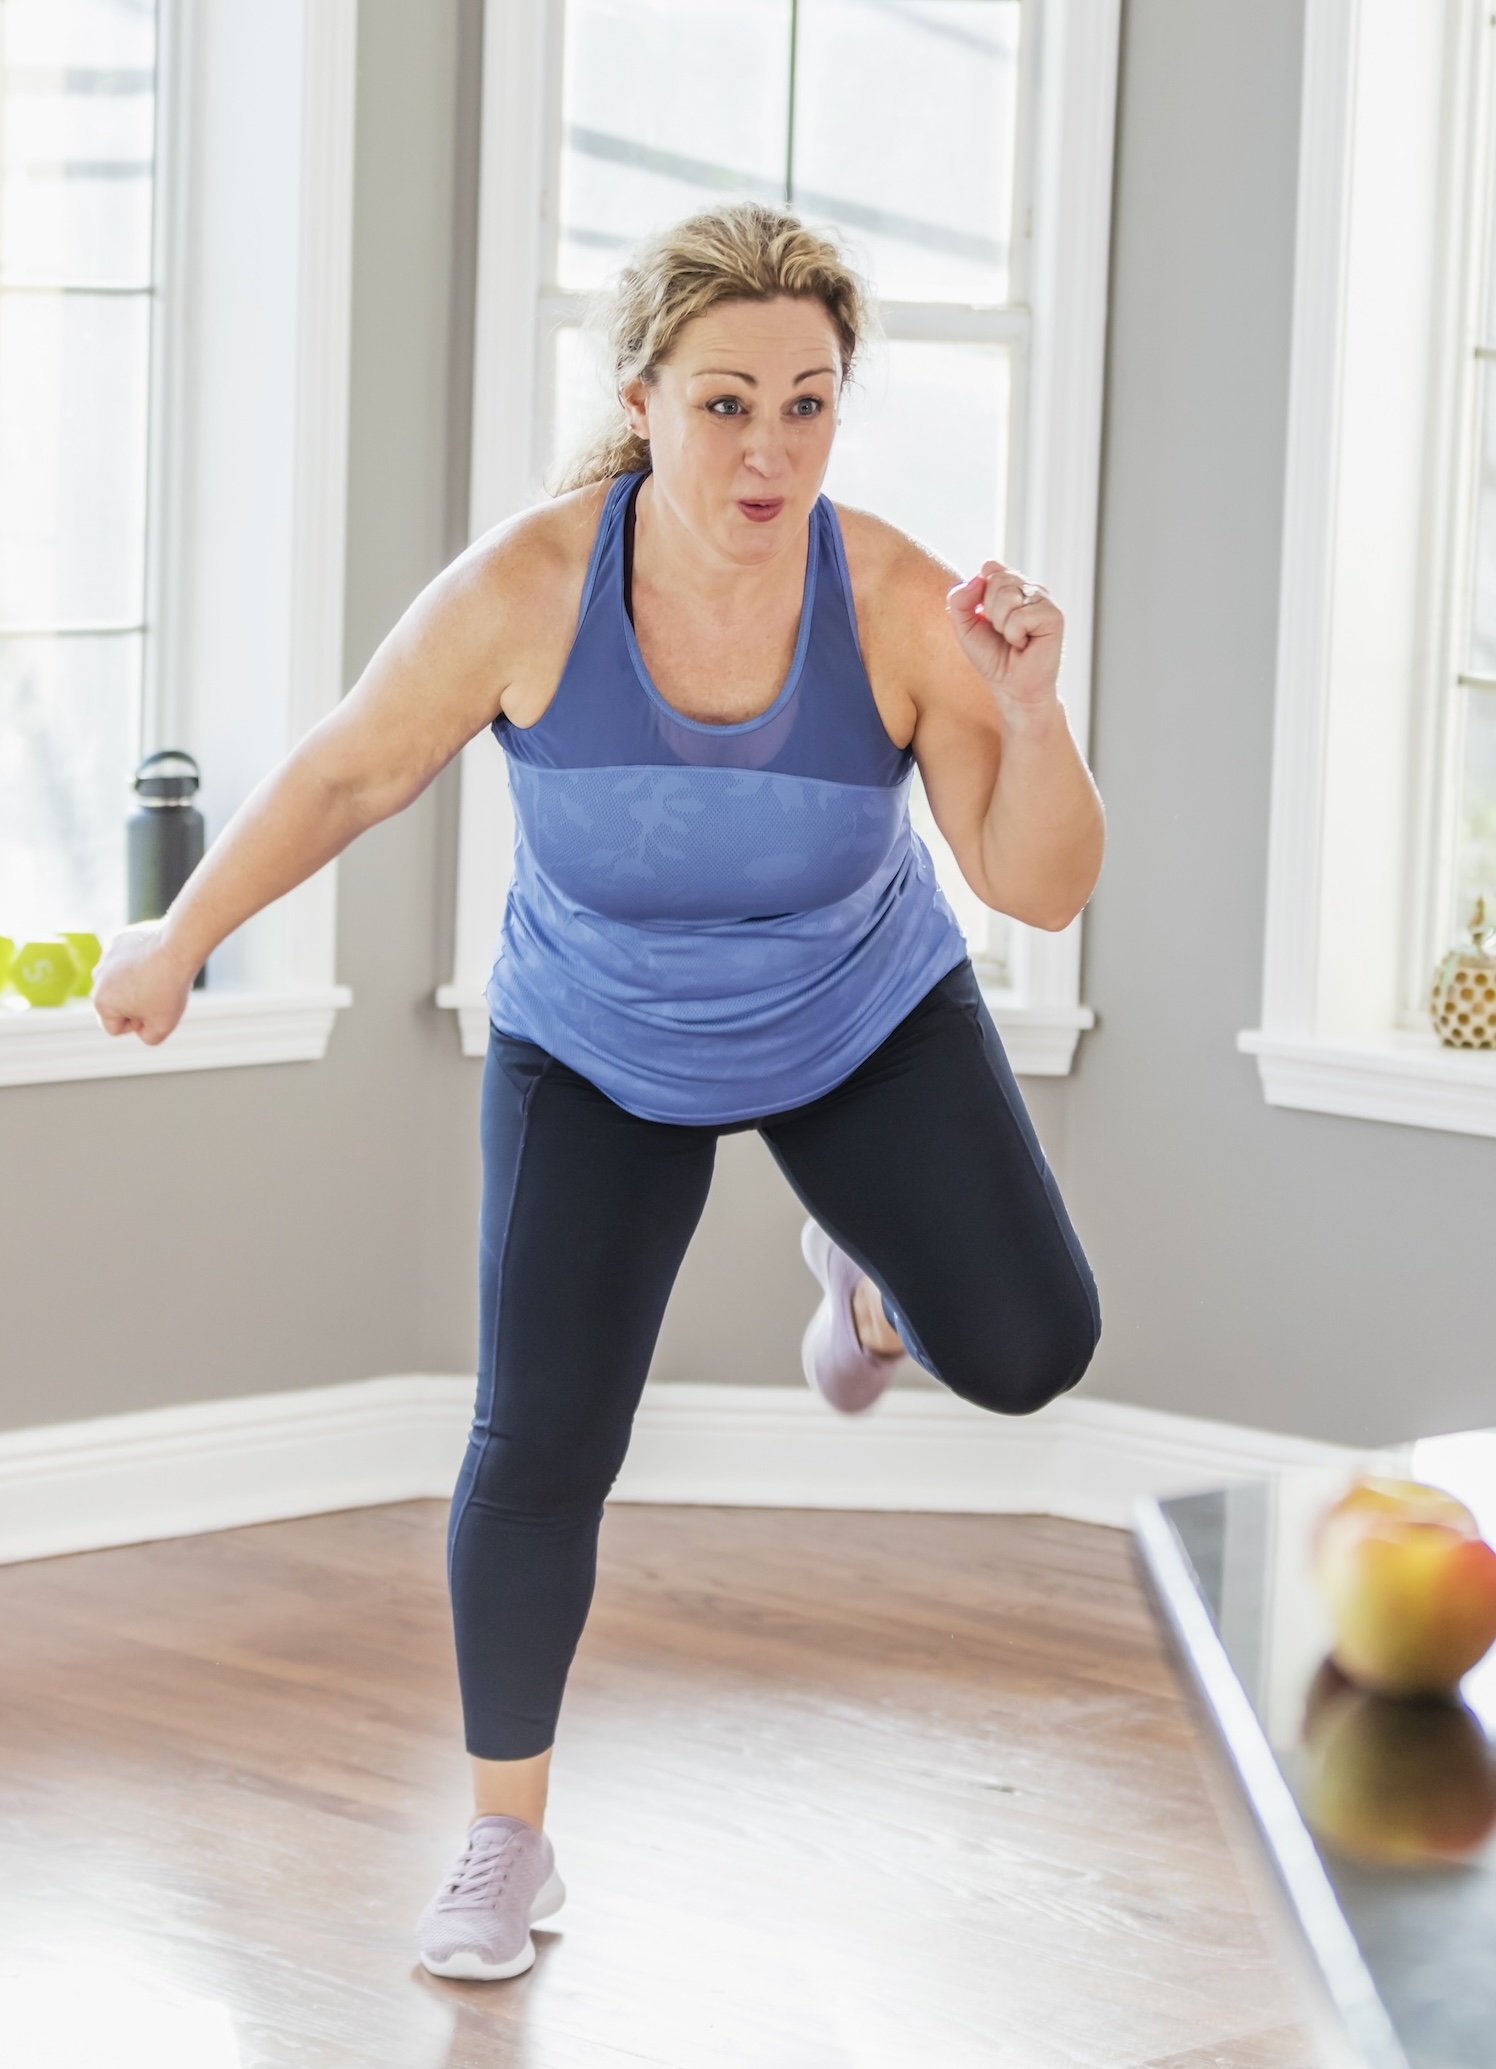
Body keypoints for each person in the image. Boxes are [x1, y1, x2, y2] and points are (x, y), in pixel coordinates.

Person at [92, 203, 1104, 1982]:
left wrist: (1031, 712)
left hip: (857, 1012)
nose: (769, 446)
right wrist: (179, 935)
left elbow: (1036, 887)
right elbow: (346, 773)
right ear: (641, 398)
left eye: (808, 401)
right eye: (725, 402)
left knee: (1030, 1350)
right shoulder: (531, 587)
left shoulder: (887, 599)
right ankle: (502, 1839)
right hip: (600, 1040)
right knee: (542, 1440)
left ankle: (862, 1277)